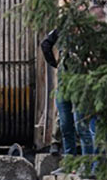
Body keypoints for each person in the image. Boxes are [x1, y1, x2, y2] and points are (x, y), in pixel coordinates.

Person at [41, 28, 97, 162]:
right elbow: (45, 44)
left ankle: (87, 165)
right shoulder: (62, 28)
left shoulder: (88, 32)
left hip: (80, 86)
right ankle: (69, 164)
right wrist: (54, 63)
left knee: (81, 127)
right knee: (66, 126)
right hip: (63, 85)